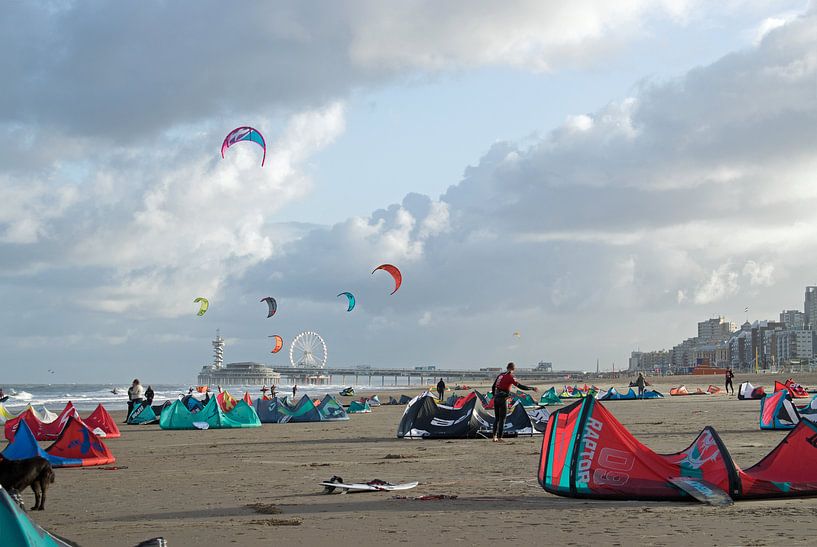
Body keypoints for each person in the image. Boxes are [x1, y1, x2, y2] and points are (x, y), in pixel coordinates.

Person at [490, 363, 537, 442]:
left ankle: (494, 437)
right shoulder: (510, 377)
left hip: (496, 398)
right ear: (513, 368)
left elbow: (493, 386)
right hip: (503, 399)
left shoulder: (500, 375)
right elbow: (520, 386)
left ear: (507, 367)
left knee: (497, 418)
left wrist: (495, 395)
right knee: (503, 418)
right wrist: (532, 388)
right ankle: (500, 437)